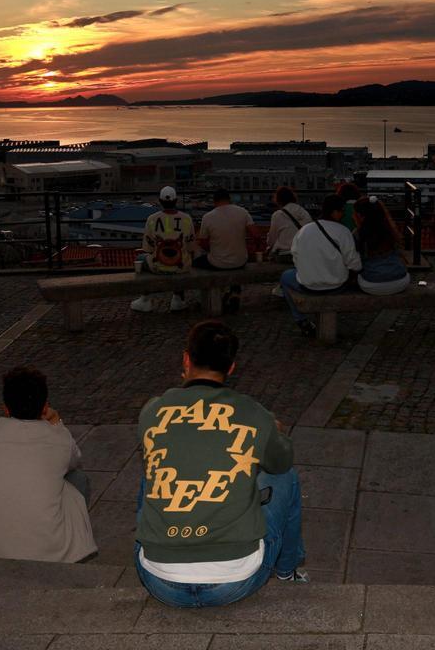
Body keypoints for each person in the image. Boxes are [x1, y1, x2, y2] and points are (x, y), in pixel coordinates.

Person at [135, 321, 308, 607]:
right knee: (284, 477)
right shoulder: (253, 412)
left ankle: (167, 543)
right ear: (231, 368)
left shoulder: (153, 410)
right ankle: (287, 572)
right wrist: (272, 432)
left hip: (158, 580)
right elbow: (281, 461)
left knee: (153, 473)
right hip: (235, 580)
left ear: (186, 359)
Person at [0, 366, 97, 562]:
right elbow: (74, 461)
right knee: (78, 479)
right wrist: (57, 423)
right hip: (52, 551)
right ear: (44, 407)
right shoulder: (59, 438)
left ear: (6, 408)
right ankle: (75, 545)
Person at [280, 194, 362, 337]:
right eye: (342, 211)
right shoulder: (343, 232)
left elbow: (296, 257)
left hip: (308, 285)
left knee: (285, 277)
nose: (343, 215)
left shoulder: (304, 230)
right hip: (337, 286)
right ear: (335, 212)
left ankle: (301, 319)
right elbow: (355, 264)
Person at [132, 185, 197, 314]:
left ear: (160, 201)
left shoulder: (152, 219)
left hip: (158, 265)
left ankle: (145, 299)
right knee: (184, 257)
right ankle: (178, 299)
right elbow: (191, 247)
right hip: (181, 265)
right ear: (176, 200)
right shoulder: (186, 218)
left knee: (140, 259)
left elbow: (148, 248)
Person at [195, 188, 255, 313]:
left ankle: (210, 296)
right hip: (241, 260)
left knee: (196, 262)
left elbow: (203, 243)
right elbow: (255, 235)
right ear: (229, 199)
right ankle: (235, 291)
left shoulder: (208, 217)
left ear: (214, 201)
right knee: (233, 263)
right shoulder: (243, 212)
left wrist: (214, 249)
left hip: (218, 263)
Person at [352, 196, 410, 295]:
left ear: (360, 216)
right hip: (401, 280)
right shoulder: (390, 231)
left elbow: (354, 262)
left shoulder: (357, 234)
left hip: (371, 283)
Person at [265, 186, 310, 263]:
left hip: (285, 255)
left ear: (278, 200)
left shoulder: (277, 215)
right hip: (303, 254)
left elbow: (271, 240)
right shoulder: (304, 213)